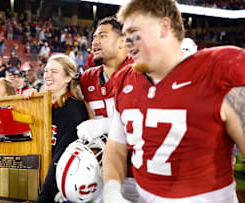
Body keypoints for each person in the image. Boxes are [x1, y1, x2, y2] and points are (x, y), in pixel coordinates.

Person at [103, 1, 245, 202]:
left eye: (133, 31)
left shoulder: (217, 70)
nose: (126, 42)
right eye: (125, 35)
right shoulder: (126, 79)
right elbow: (115, 148)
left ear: (164, 26)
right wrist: (111, 191)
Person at [76, 17, 136, 203]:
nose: (94, 42)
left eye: (102, 36)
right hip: (104, 173)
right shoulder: (87, 79)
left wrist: (104, 125)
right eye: (94, 37)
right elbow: (59, 93)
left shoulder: (143, 71)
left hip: (143, 175)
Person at [31, 53, 89, 203]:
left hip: (60, 188)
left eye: (54, 72)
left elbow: (60, 158)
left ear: (68, 78)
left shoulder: (73, 110)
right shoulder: (44, 104)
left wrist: (44, 197)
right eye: (46, 71)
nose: (47, 75)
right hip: (41, 180)